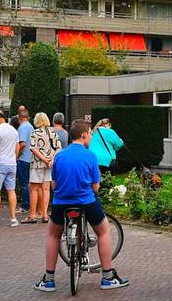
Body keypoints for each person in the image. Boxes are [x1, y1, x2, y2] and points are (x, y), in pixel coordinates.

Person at [34, 120, 129, 291]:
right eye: (90, 134)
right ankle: (107, 276)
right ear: (84, 135)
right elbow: (95, 187)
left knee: (53, 234)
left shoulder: (59, 156)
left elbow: (54, 185)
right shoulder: (90, 156)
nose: (91, 136)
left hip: (61, 202)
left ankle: (48, 279)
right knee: (103, 231)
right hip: (86, 201)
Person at [24, 113, 57, 223]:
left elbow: (33, 148)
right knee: (46, 189)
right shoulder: (52, 132)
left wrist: (43, 158)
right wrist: (50, 159)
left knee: (34, 188)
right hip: (49, 164)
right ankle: (45, 215)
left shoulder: (35, 132)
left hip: (37, 163)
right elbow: (58, 148)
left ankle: (32, 215)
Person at [15, 106, 33, 214]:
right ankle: (30, 204)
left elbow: (22, 144)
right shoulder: (31, 127)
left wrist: (17, 155)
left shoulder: (22, 127)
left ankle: (25, 206)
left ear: (19, 117)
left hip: (24, 159)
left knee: (23, 183)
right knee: (29, 183)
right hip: (31, 158)